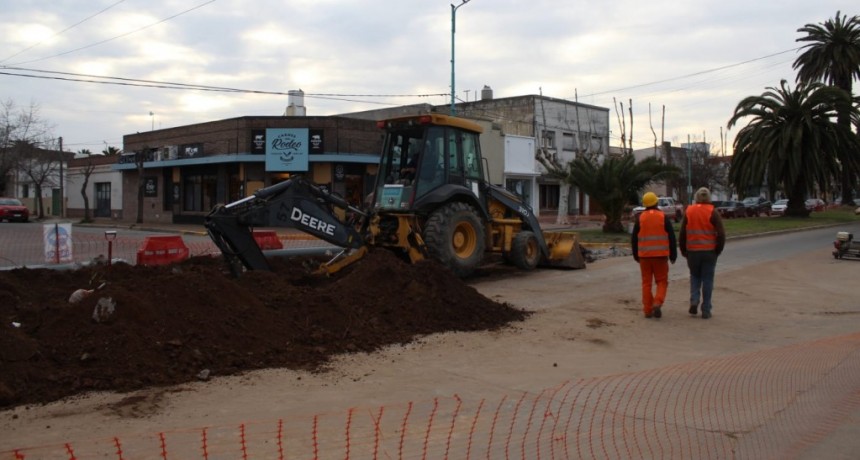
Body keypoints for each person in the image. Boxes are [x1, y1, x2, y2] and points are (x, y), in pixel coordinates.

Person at [679, 187, 726, 319]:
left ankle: (694, 300)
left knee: (694, 276)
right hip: (709, 252)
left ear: (696, 197)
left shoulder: (689, 211)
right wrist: (718, 249)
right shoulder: (713, 212)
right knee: (707, 280)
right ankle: (706, 309)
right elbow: (721, 234)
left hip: (692, 252)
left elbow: (682, 233)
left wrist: (683, 250)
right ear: (709, 197)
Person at [631, 191, 677, 319]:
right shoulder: (663, 217)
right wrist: (673, 254)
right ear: (656, 203)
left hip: (644, 256)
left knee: (646, 283)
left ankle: (647, 310)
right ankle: (657, 302)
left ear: (645, 205)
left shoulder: (640, 218)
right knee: (662, 281)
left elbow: (634, 239)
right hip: (660, 256)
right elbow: (671, 237)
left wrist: (636, 255)